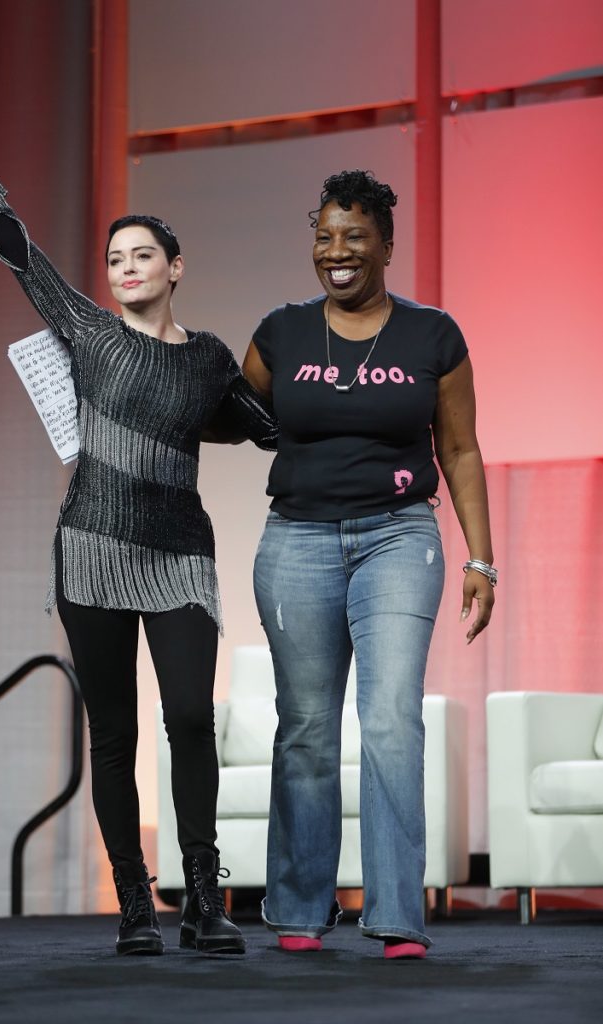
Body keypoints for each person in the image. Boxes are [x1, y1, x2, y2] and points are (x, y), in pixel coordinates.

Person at [0, 76, 276, 957]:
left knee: (191, 720)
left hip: (177, 558)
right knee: (114, 735)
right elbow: (15, 247)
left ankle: (203, 895)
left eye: (140, 256)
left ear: (174, 267)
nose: (124, 268)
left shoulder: (205, 360)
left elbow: (265, 429)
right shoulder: (87, 331)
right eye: (115, 257)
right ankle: (133, 902)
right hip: (89, 552)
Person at [243, 169, 495, 959]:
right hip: (296, 540)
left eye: (354, 236)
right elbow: (231, 417)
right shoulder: (281, 332)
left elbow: (457, 447)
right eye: (323, 236)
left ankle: (394, 915)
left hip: (397, 536)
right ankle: (298, 911)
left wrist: (482, 558)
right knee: (307, 728)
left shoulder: (432, 335)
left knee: (389, 720)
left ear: (385, 244)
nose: (337, 251)